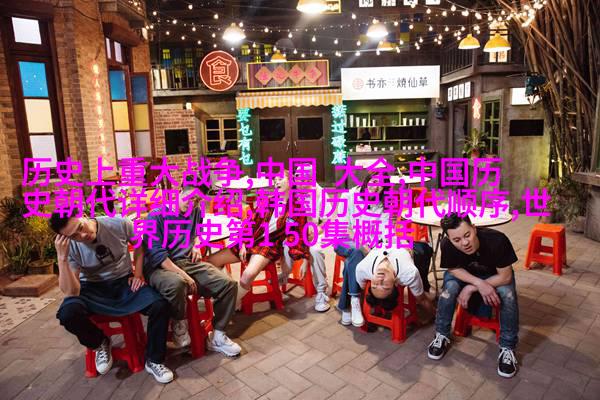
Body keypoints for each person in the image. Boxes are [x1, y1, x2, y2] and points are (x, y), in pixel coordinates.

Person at [51, 212, 173, 384]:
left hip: (123, 282)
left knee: (159, 305)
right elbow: (71, 291)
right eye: (74, 236)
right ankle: (99, 342)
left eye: (80, 227)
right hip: (91, 288)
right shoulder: (70, 247)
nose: (82, 235)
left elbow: (139, 244)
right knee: (68, 313)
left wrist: (138, 274)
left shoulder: (118, 223)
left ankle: (154, 360)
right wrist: (62, 258)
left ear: (84, 215)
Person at [143, 186, 241, 357]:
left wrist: (196, 244)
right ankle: (179, 322)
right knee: (177, 283)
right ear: (180, 190)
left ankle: (217, 336)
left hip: (185, 262)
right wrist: (185, 276)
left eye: (197, 200)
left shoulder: (196, 210)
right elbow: (158, 256)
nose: (192, 204)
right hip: (159, 267)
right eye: (190, 198)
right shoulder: (156, 216)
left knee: (228, 284)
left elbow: (197, 230)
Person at [427, 213, 519, 379]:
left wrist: (471, 287)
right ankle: (441, 334)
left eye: (467, 235)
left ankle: (508, 347)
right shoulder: (447, 244)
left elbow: (505, 277)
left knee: (508, 294)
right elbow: (453, 269)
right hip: (465, 275)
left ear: (474, 229)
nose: (464, 243)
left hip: (494, 276)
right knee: (449, 289)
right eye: (457, 240)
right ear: (449, 238)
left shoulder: (497, 240)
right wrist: (477, 283)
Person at [205, 170, 310, 305]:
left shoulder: (296, 208)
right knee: (211, 261)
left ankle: (230, 304)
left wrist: (304, 259)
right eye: (275, 180)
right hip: (251, 239)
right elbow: (250, 222)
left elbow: (300, 234)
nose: (277, 182)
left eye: (280, 179)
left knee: (247, 276)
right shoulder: (268, 201)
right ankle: (230, 290)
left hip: (268, 245)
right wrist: (243, 242)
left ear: (290, 182)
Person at [281, 167, 331, 312]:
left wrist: (314, 232)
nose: (300, 184)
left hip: (316, 231)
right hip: (296, 231)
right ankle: (285, 274)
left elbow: (327, 222)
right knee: (285, 244)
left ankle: (321, 292)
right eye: (297, 179)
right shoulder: (293, 192)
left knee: (315, 251)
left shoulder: (321, 194)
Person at [356, 246, 435, 319]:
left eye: (375, 285)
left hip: (378, 241)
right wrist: (436, 316)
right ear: (395, 283)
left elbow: (362, 289)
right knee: (425, 248)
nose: (379, 280)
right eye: (385, 285)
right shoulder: (409, 273)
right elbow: (422, 299)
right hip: (407, 243)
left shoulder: (362, 269)